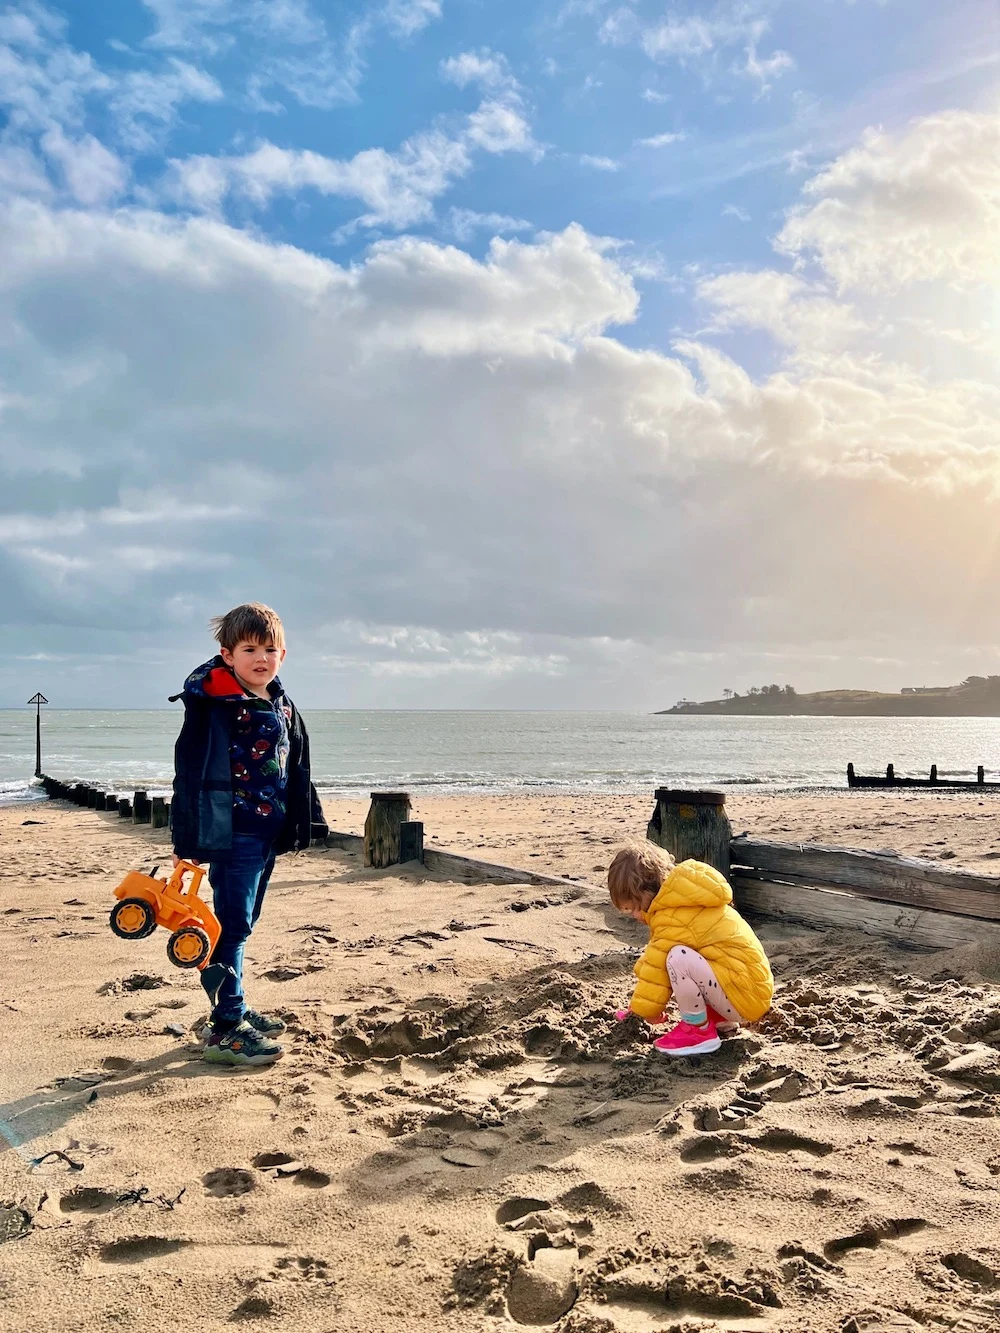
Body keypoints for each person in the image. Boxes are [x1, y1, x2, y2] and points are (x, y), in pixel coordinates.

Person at [170, 602, 327, 1067]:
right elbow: (192, 771)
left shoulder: (278, 701)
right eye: (249, 649)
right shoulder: (216, 704)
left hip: (265, 831)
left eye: (270, 649)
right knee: (230, 928)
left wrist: (301, 821)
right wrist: (191, 838)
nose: (261, 657)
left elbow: (296, 766)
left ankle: (232, 1005)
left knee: (243, 926)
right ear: (227, 654)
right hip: (232, 832)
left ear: (284, 653)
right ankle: (225, 1028)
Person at [607, 841, 773, 1057]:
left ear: (647, 891)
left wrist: (642, 1013)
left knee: (678, 958)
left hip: (743, 999)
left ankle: (698, 1031)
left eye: (634, 908)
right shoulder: (687, 898)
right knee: (693, 955)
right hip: (747, 991)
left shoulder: (673, 916)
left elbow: (655, 970)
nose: (635, 916)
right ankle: (718, 1018)